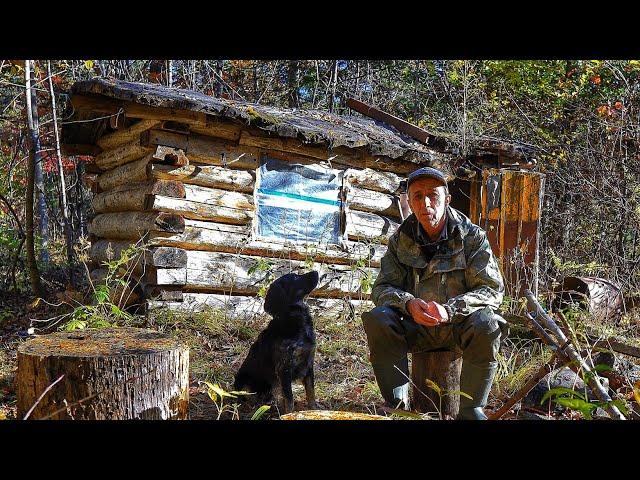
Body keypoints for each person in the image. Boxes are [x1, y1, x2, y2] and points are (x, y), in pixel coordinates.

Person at [362, 166, 507, 420]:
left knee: (488, 322)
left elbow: (491, 290)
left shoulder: (471, 237)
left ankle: (471, 409)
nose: (425, 203)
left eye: (433, 195)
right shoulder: (400, 240)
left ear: (447, 199)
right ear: (409, 201)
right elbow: (382, 288)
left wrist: (451, 310)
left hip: (459, 328)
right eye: (417, 196)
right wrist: (408, 304)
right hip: (415, 328)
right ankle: (398, 406)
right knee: (378, 319)